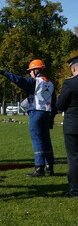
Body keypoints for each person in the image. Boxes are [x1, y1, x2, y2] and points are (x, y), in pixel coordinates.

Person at [0, 59, 57, 177]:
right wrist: (52, 118)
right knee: (46, 140)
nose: (30, 74)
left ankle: (39, 169)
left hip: (36, 113)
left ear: (37, 70)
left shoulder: (35, 82)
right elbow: (54, 103)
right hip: (47, 114)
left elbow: (18, 80)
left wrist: (3, 73)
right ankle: (50, 167)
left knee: (37, 140)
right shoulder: (51, 83)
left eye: (31, 71)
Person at [57, 56, 78, 197]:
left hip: (73, 126)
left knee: (74, 158)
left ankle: (75, 189)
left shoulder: (70, 84)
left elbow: (60, 105)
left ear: (74, 68)